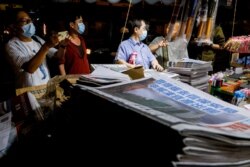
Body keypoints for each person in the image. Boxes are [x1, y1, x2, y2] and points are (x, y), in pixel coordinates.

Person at [5, 10, 64, 88]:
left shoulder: (37, 39)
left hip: (46, 88)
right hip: (28, 92)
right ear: (14, 26)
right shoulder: (12, 45)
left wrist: (63, 46)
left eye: (30, 20)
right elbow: (30, 69)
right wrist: (46, 47)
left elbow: (58, 56)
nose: (29, 23)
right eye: (24, 21)